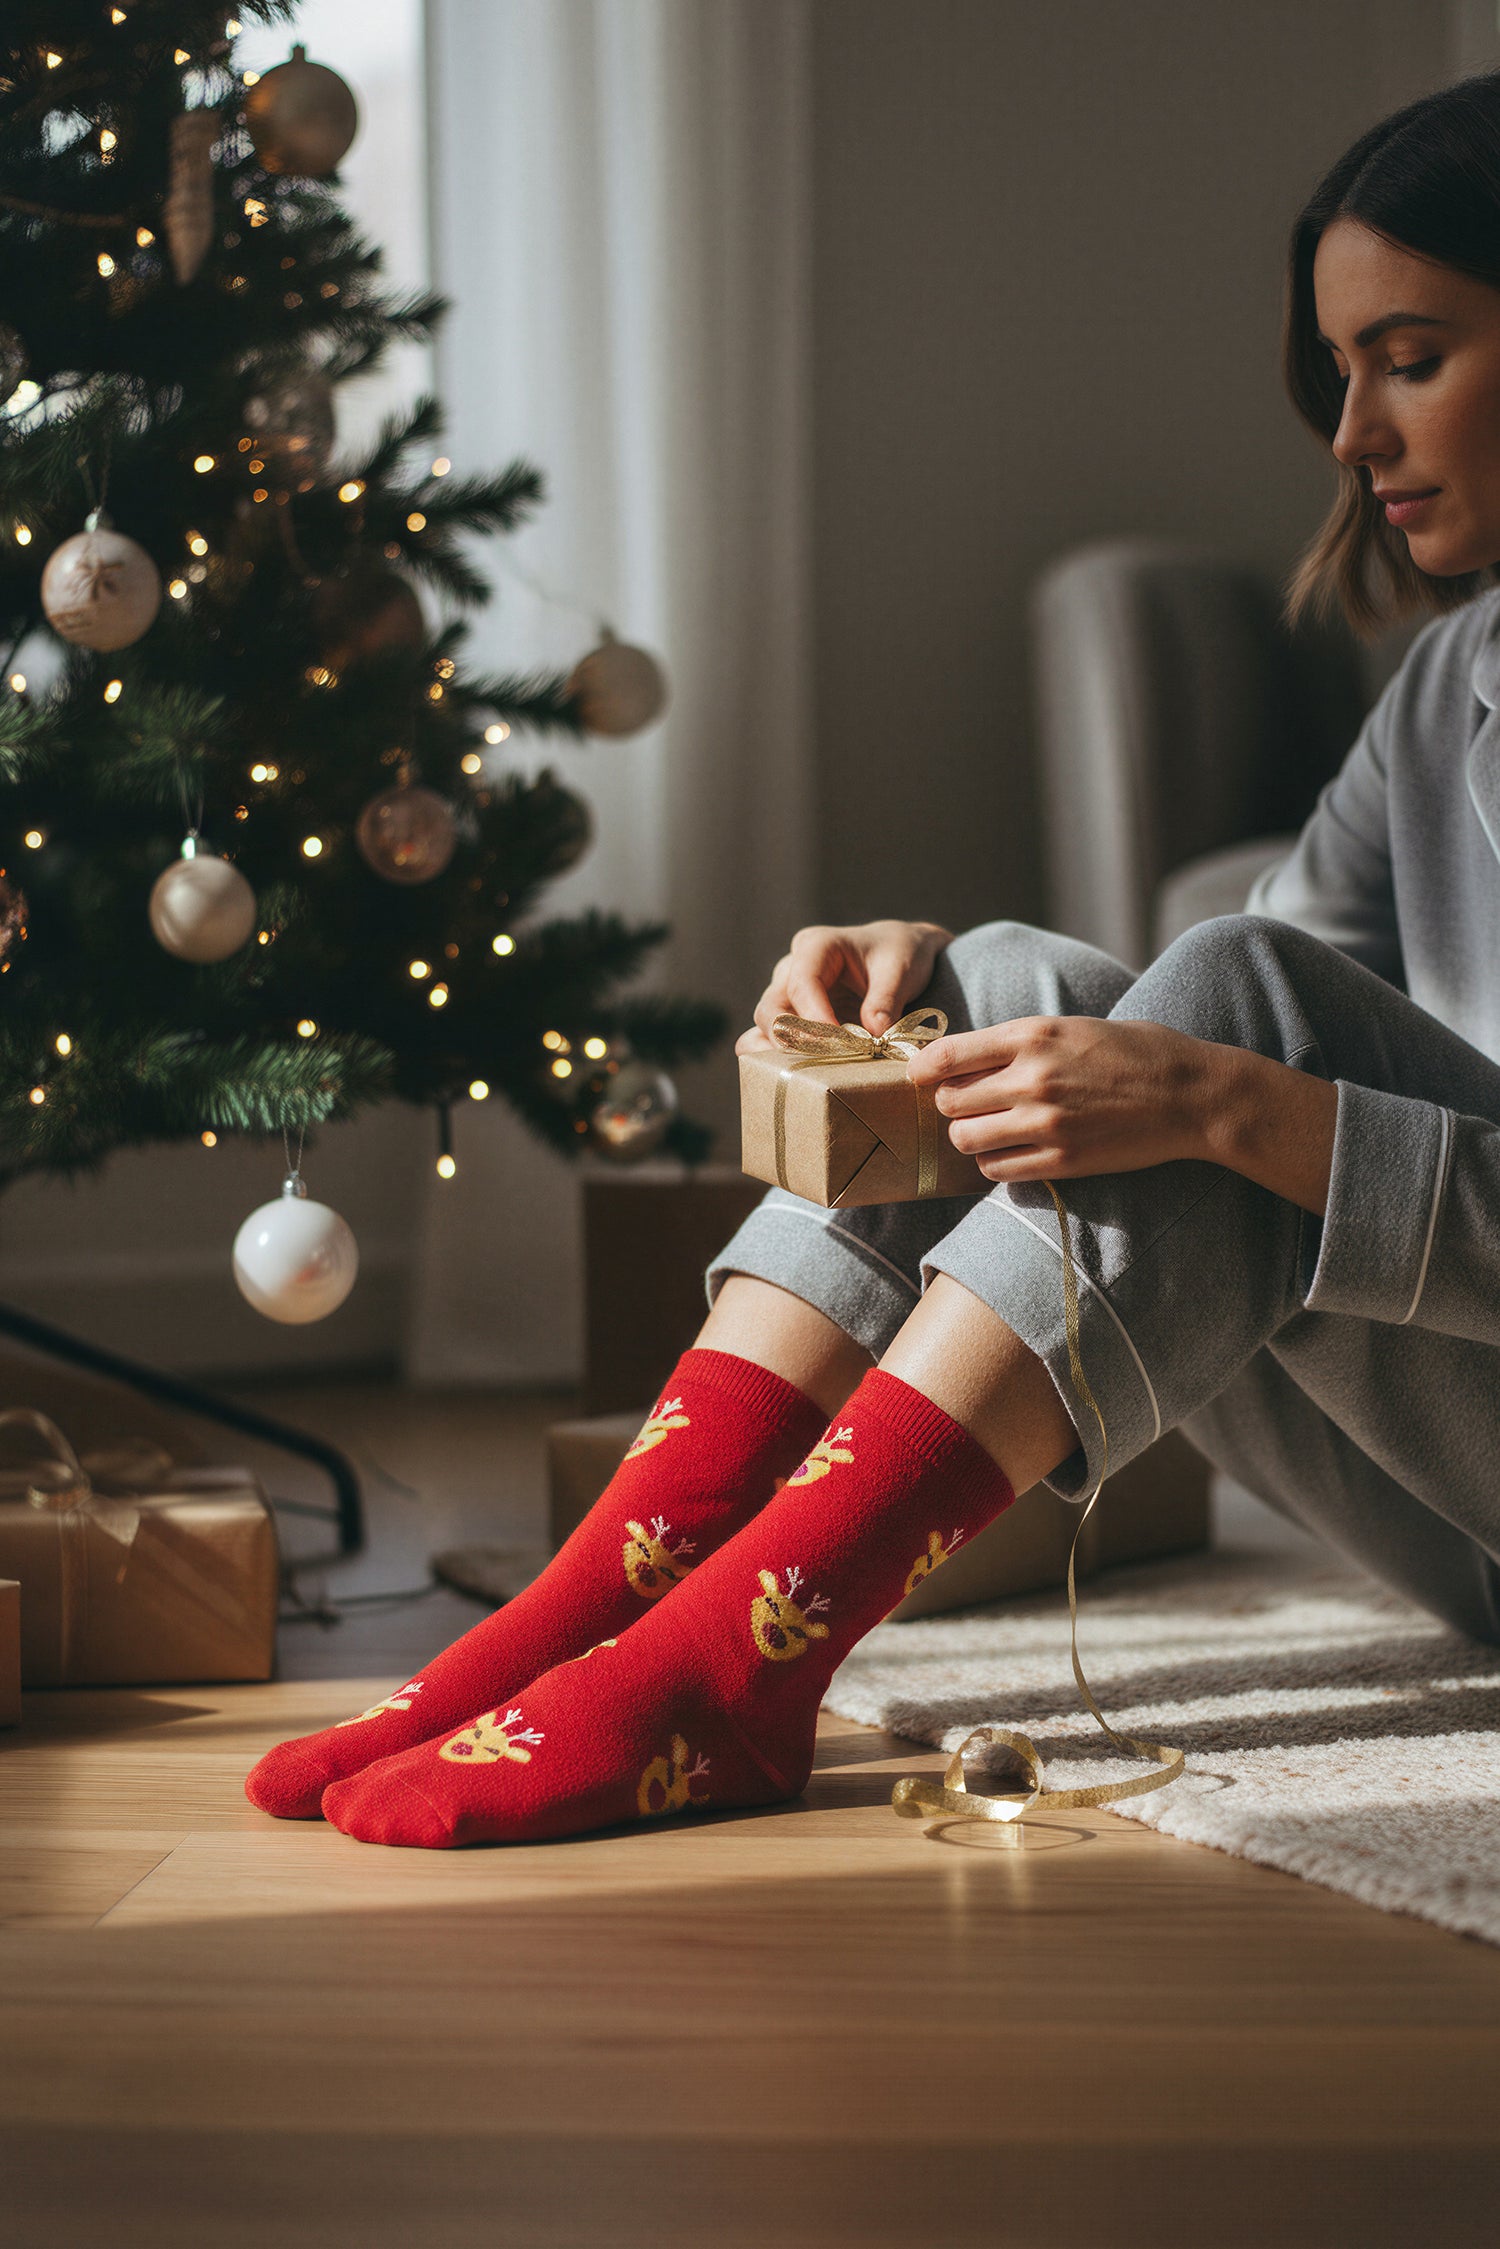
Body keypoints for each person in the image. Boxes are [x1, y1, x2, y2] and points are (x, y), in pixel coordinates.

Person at [250, 70, 1500, 1850]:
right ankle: (595, 1609)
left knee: (1222, 1035)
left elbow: (1249, 1049)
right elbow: (1189, 1035)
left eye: (1413, 359)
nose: (1353, 432)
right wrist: (957, 993)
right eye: (1342, 370)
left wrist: (1230, 1102)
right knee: (999, 983)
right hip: (1455, 1493)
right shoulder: (1453, 686)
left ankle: (728, 1670)